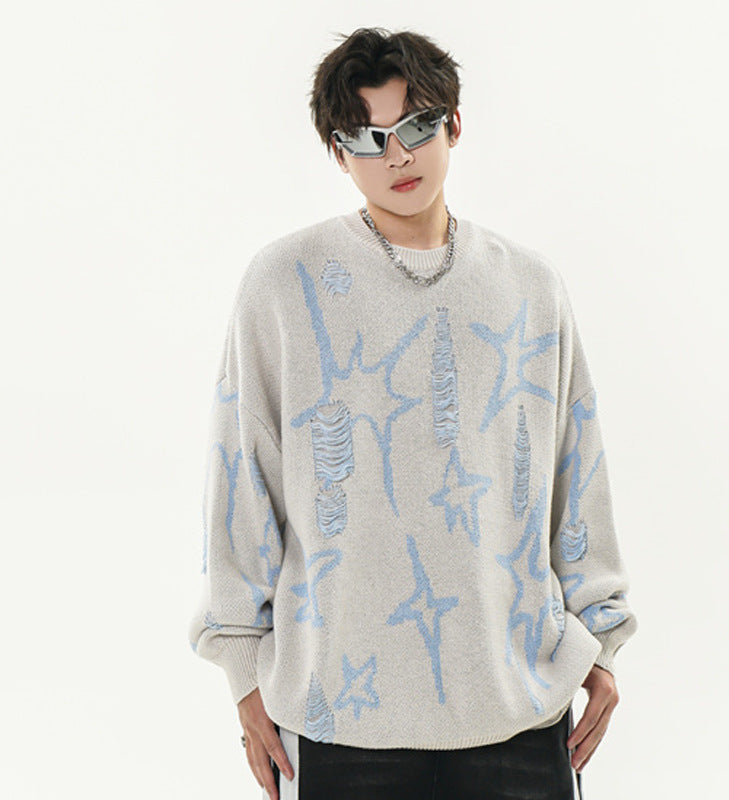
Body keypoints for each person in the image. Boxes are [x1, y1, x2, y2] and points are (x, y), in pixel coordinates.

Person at [188, 26, 637, 800]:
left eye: (416, 126)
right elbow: (242, 471)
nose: (396, 156)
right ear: (338, 154)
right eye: (366, 138)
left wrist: (601, 640)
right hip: (341, 718)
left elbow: (575, 465)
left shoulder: (529, 287)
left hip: (520, 709)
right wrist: (242, 668)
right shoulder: (284, 285)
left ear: (455, 124)